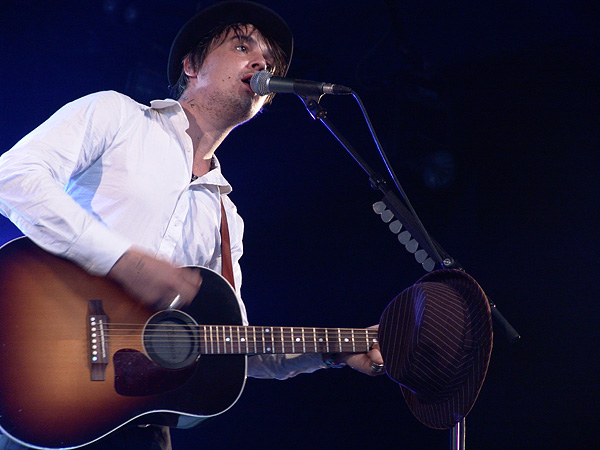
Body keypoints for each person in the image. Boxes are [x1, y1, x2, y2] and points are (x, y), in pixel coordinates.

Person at [0, 2, 383, 449]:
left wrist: (332, 352)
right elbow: (14, 177)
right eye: (243, 47)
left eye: (270, 61)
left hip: (137, 428)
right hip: (42, 381)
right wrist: (125, 263)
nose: (262, 63)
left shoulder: (226, 218)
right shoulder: (117, 116)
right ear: (191, 64)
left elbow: (230, 344)